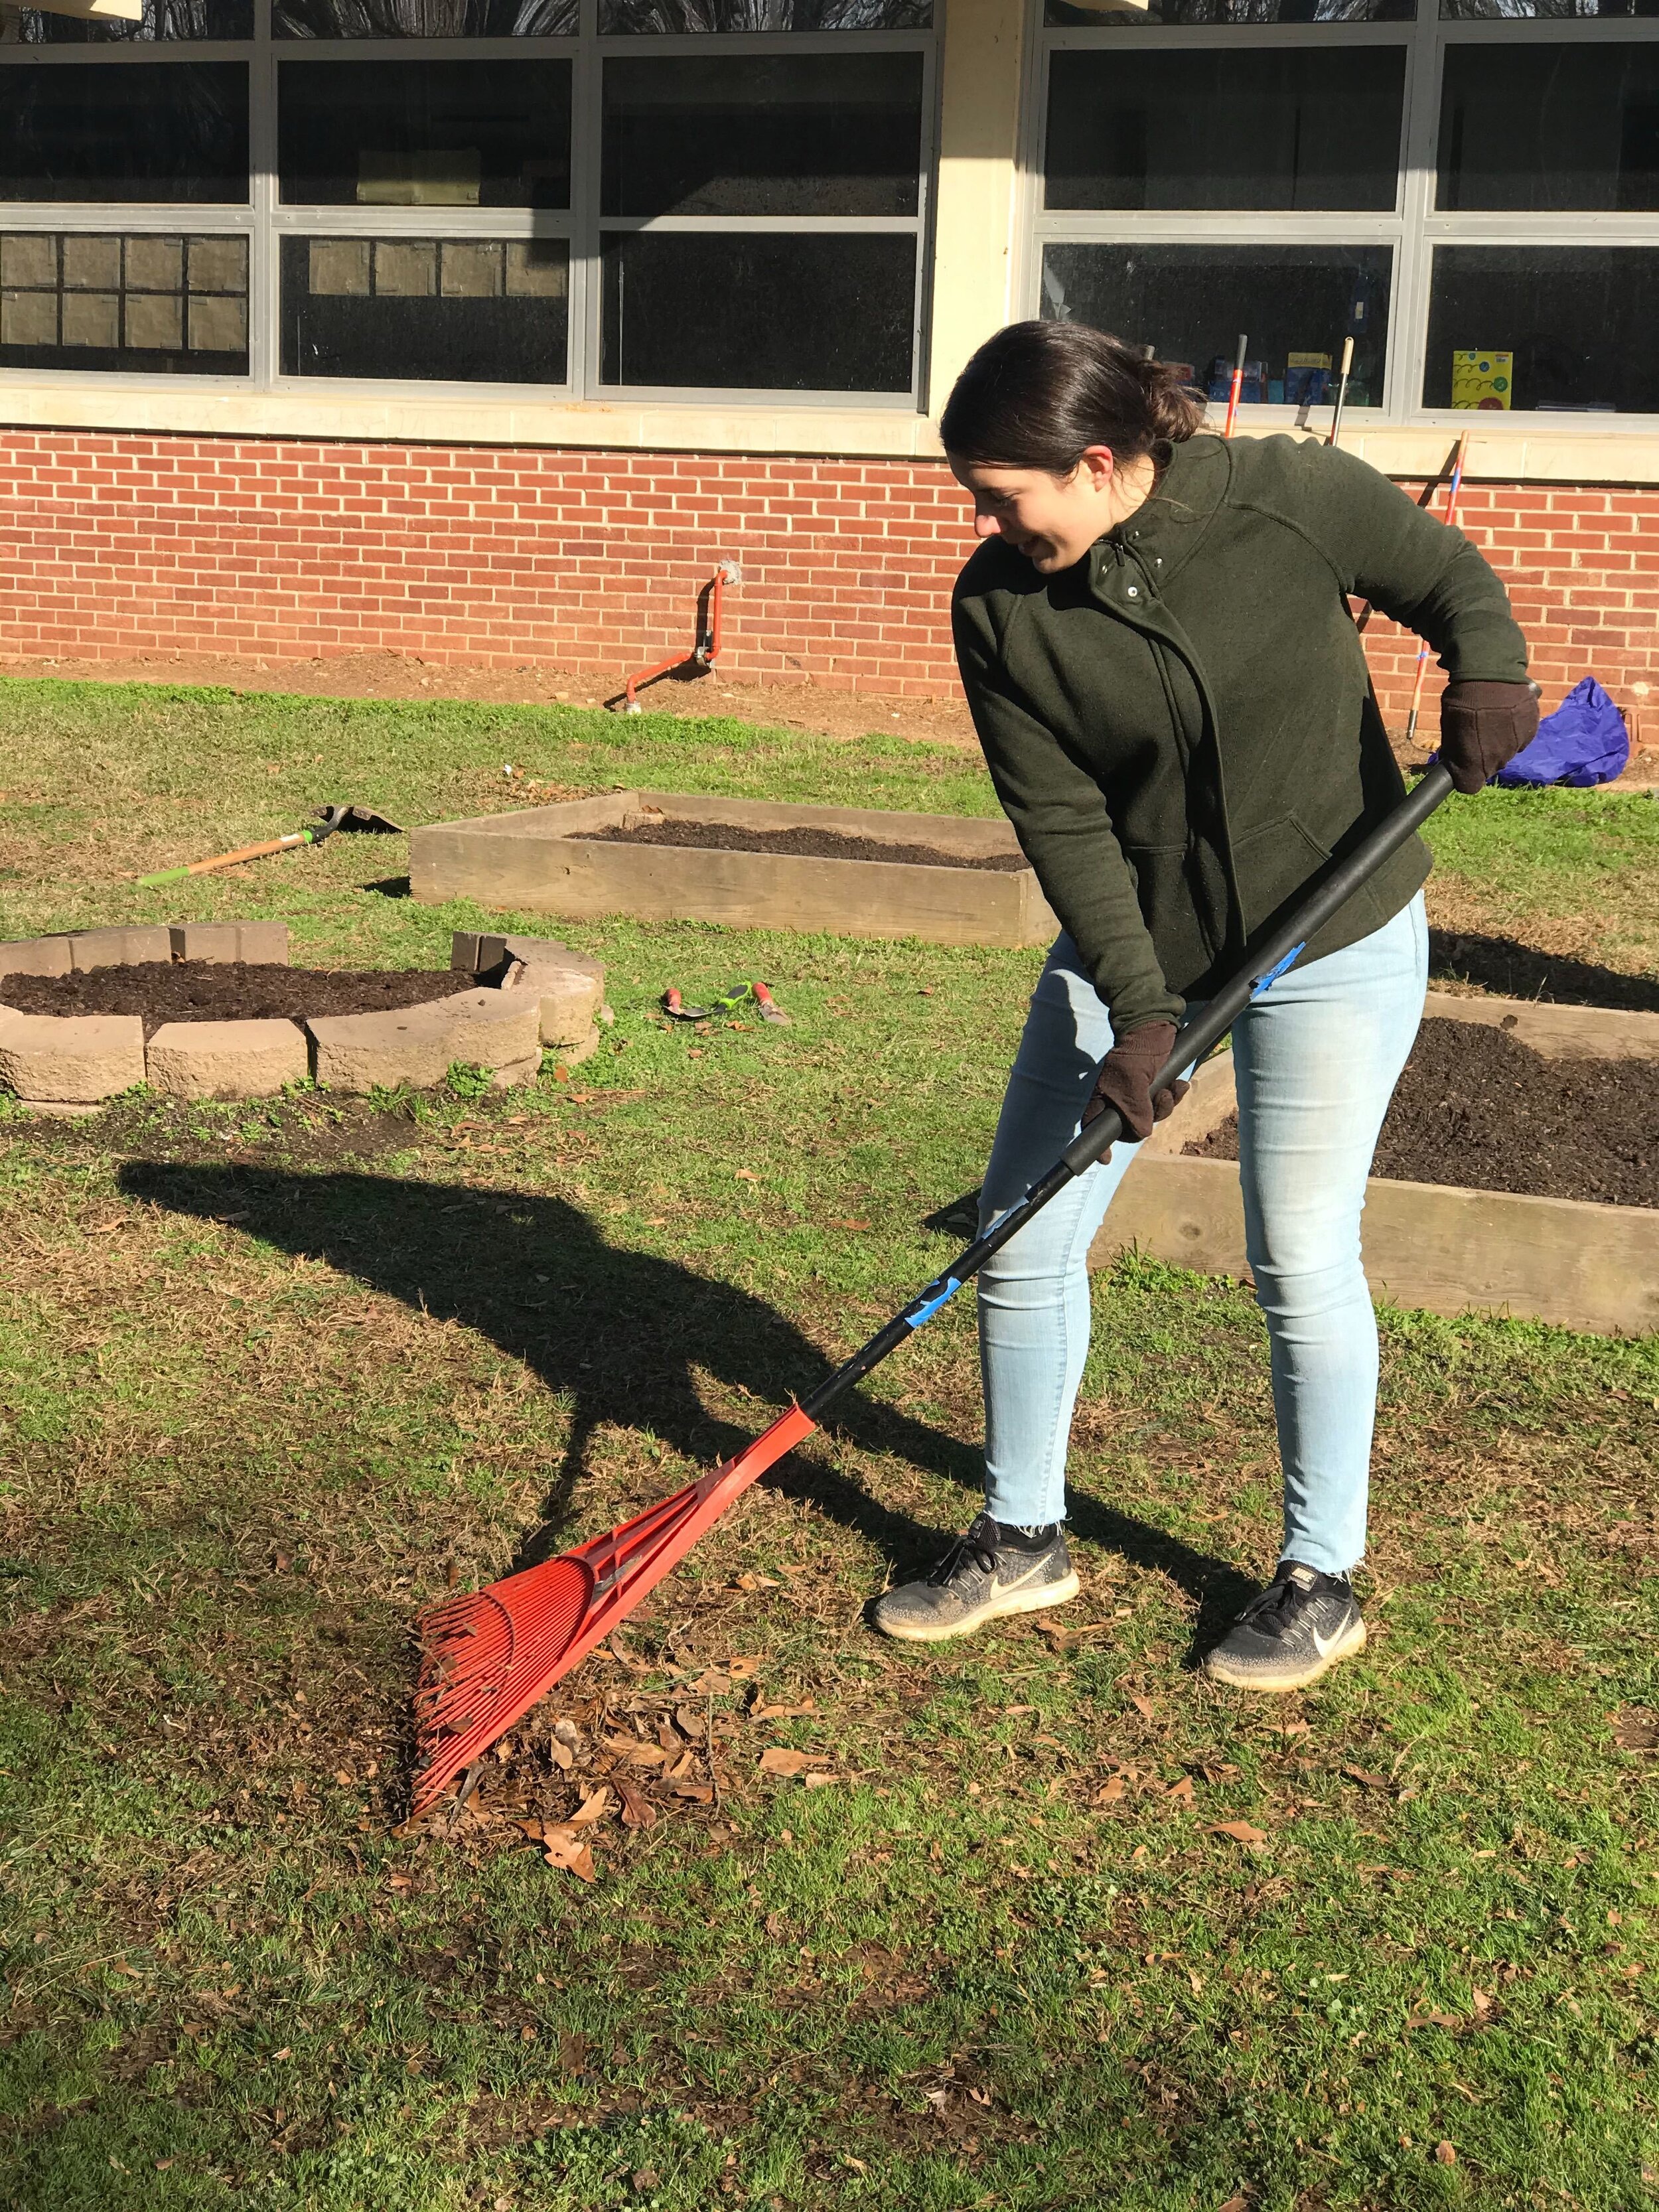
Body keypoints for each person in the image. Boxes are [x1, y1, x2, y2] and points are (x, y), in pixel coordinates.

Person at [871, 320, 1537, 1690]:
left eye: (1005, 494)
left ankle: (1318, 1572)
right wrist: (1137, 1005)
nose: (986, 522)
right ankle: (1021, 1531)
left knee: (1295, 1251)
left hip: (1335, 933)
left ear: (1099, 460)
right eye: (975, 499)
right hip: (1138, 948)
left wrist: (1486, 670)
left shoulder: (1283, 497)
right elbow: (1059, 819)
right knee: (1020, 1229)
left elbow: (1445, 576)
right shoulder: (998, 607)